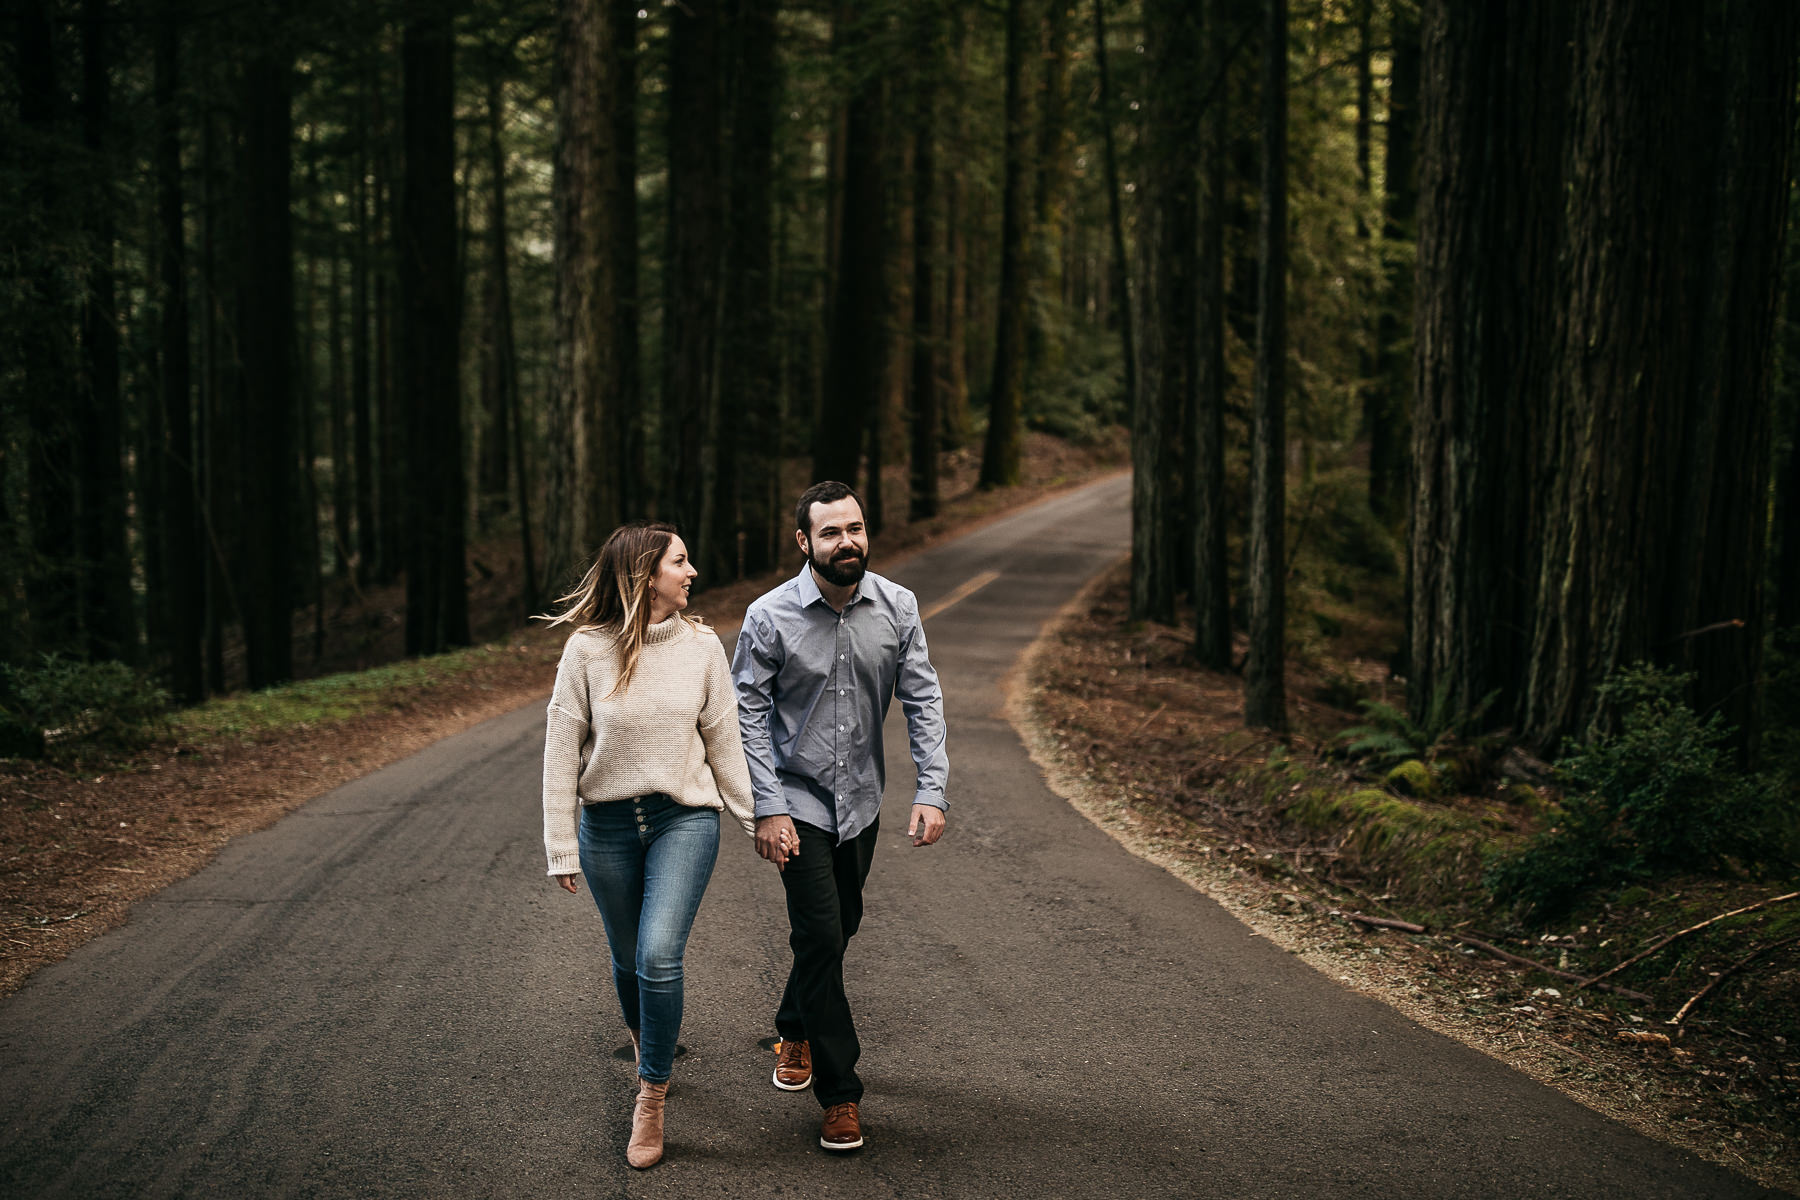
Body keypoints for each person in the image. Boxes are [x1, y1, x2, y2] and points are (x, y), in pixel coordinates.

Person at [731, 480, 949, 1153]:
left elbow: (923, 698)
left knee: (840, 924)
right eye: (830, 532)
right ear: (804, 542)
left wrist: (931, 789)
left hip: (860, 798)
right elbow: (748, 717)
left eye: (854, 528)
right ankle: (841, 1094)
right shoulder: (768, 618)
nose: (846, 541)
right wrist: (766, 808)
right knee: (823, 931)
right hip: (795, 802)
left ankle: (793, 1021)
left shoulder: (897, 607)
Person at [540, 522, 756, 1170]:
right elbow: (560, 749)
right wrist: (560, 845)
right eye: (681, 562)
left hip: (682, 819)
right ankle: (648, 1039)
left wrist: (758, 821)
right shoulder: (585, 650)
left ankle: (652, 1092)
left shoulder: (702, 646)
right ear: (644, 575)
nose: (693, 572)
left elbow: (724, 742)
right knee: (628, 957)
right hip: (605, 826)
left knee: (659, 954)